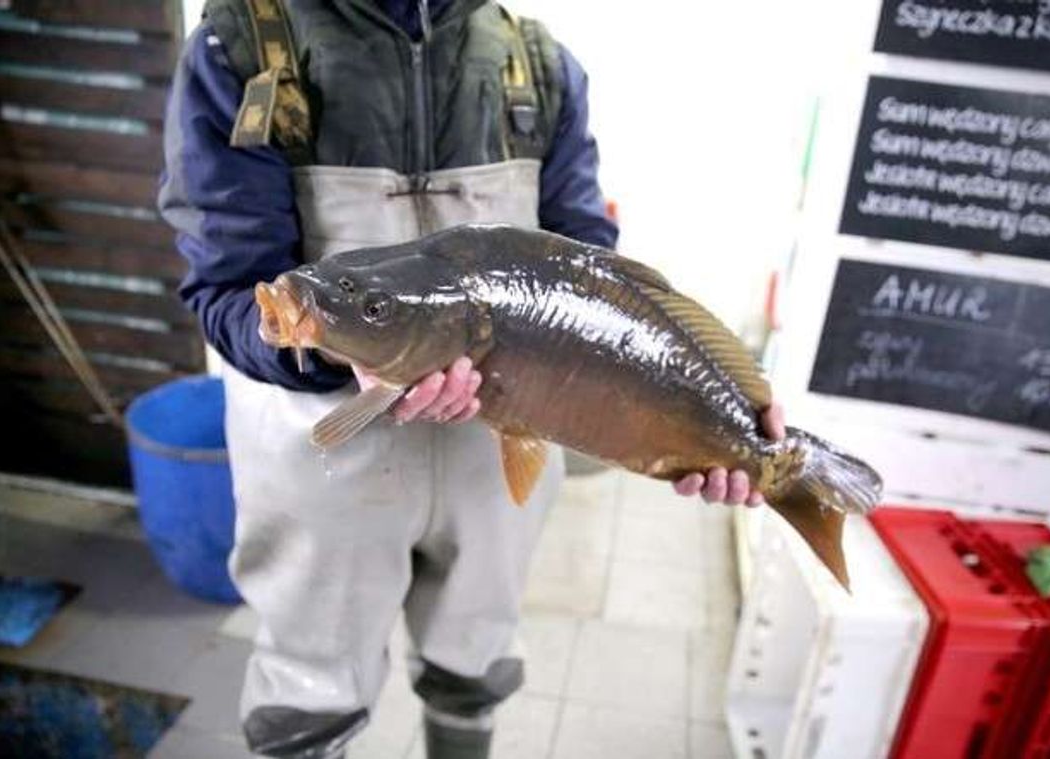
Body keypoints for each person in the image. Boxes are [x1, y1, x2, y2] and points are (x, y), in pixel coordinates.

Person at [158, 1, 781, 757]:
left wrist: (712, 408)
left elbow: (591, 265)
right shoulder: (242, 46)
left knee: (474, 666)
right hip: (322, 461)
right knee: (305, 704)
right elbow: (231, 288)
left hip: (495, 461)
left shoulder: (538, 63)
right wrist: (330, 350)